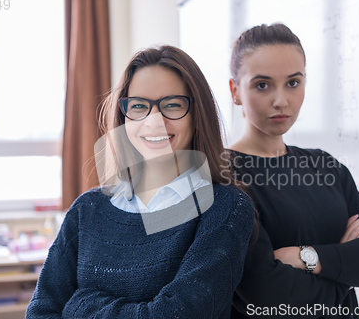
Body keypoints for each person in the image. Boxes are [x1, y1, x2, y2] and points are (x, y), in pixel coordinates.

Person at [26, 45, 255, 318]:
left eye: (172, 105)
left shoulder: (224, 208)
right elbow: (41, 312)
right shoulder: (87, 210)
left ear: (197, 114)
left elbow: (177, 314)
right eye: (138, 106)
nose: (154, 121)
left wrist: (81, 306)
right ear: (124, 117)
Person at [225, 23, 359, 318]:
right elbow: (266, 294)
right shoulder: (224, 177)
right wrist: (342, 269)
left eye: (293, 83)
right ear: (235, 91)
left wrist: (307, 257)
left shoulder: (325, 166)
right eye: (262, 85)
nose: (281, 100)